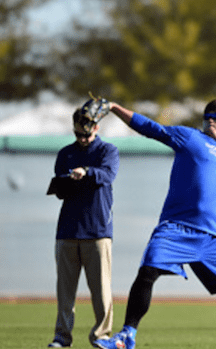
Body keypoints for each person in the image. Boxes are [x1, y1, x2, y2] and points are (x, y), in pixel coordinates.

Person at [94, 99, 216, 349]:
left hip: (213, 235)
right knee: (147, 271)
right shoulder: (189, 137)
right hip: (176, 227)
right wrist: (116, 108)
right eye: (207, 116)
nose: (210, 120)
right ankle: (127, 335)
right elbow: (151, 128)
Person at [47, 107, 120, 347]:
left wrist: (86, 172)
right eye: (78, 135)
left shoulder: (107, 151)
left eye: (86, 135)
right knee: (65, 292)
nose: (82, 139)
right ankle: (62, 337)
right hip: (68, 230)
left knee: (101, 291)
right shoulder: (65, 153)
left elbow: (107, 175)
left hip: (97, 230)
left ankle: (101, 336)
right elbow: (61, 187)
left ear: (97, 129)